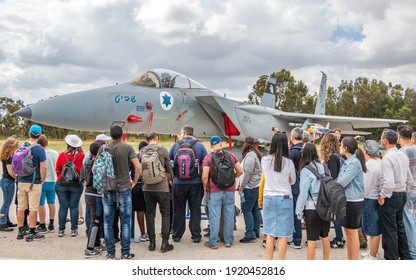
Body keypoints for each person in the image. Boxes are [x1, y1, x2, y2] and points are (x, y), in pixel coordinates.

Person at [100, 125, 141, 260]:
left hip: (108, 188)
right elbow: (138, 166)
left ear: (110, 135)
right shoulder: (127, 148)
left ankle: (110, 253)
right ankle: (125, 252)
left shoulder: (103, 148)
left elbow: (97, 169)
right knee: (125, 221)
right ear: (122, 135)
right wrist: (134, 182)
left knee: (107, 221)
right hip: (124, 187)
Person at [202, 136, 243, 249]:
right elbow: (240, 170)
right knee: (229, 215)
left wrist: (205, 187)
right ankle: (228, 241)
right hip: (229, 190)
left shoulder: (208, 158)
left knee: (215, 216)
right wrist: (232, 179)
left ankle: (213, 242)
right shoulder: (231, 155)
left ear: (211, 146)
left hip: (214, 191)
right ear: (220, 144)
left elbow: (205, 176)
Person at [169, 125, 207, 243]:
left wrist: (171, 179)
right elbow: (206, 164)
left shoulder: (176, 145)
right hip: (196, 183)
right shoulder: (200, 146)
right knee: (195, 209)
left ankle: (177, 235)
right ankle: (195, 235)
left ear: (184, 133)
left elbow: (169, 162)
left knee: (178, 209)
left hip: (178, 183)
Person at [379, 129, 413, 260]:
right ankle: (405, 257)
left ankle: (392, 258)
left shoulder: (387, 158)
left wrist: (382, 196)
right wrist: (405, 191)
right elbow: (409, 179)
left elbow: (388, 183)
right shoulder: (403, 155)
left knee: (390, 231)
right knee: (400, 227)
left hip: (391, 196)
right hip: (402, 194)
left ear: (384, 140)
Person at [261, 132, 296, 259]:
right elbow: (293, 180)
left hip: (269, 198)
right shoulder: (288, 162)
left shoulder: (265, 160)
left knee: (270, 233)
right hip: (284, 198)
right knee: (283, 235)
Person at [296, 143, 331, 260]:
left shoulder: (306, 170)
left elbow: (303, 193)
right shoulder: (324, 168)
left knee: (311, 241)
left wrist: (299, 211)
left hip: (312, 208)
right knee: (325, 237)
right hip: (325, 206)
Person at [141, 133, 174, 253]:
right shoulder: (162, 149)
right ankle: (165, 243)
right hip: (162, 187)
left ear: (146, 140)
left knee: (150, 214)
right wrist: (170, 179)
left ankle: (152, 243)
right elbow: (168, 167)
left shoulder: (142, 151)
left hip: (147, 187)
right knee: (165, 213)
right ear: (157, 139)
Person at [336, 136, 366, 260]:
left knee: (353, 233)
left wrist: (335, 183)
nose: (339, 147)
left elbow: (342, 181)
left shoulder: (354, 163)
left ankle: (353, 260)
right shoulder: (347, 161)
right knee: (347, 232)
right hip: (347, 200)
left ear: (346, 148)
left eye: (341, 145)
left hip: (354, 201)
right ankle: (349, 258)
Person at [16, 125, 47, 241]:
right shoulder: (39, 149)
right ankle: (32, 231)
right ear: (39, 136)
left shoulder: (21, 146)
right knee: (33, 208)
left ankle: (20, 231)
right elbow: (43, 167)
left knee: (21, 207)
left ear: (29, 133)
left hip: (21, 180)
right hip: (34, 182)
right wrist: (42, 180)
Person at [55, 134, 85, 238]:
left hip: (61, 183)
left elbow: (57, 169)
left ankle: (61, 230)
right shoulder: (81, 156)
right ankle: (74, 229)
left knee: (63, 206)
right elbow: (83, 170)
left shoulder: (62, 155)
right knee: (74, 206)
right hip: (76, 184)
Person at [320, 133, 345, 248]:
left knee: (334, 214)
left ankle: (339, 238)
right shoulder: (336, 156)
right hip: (336, 188)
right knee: (335, 214)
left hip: (332, 189)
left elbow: (333, 175)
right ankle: (339, 237)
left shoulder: (331, 157)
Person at [82, 142, 104, 258]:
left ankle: (96, 244)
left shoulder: (88, 161)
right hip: (95, 194)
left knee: (96, 219)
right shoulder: (98, 164)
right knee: (94, 221)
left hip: (88, 193)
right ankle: (90, 248)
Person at [361, 140, 382, 260]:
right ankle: (372, 252)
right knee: (374, 227)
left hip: (369, 198)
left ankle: (373, 255)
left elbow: (366, 186)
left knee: (373, 229)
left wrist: (362, 196)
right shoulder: (380, 162)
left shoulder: (369, 165)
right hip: (376, 196)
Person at [239, 137, 262, 243]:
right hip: (255, 186)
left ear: (245, 144)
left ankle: (250, 233)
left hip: (249, 188)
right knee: (254, 209)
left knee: (246, 210)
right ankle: (256, 231)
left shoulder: (250, 156)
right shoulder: (254, 155)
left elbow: (247, 173)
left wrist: (241, 186)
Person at [398, 125, 416, 259]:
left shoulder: (403, 153)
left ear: (399, 136)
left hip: (409, 190)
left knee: (408, 220)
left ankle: (412, 251)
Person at [35, 135, 58, 233]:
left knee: (41, 203)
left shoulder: (40, 153)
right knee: (51, 202)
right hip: (53, 179)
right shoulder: (55, 153)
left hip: (42, 180)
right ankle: (52, 222)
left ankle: (43, 224)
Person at [287, 127, 304, 249]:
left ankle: (297, 239)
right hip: (308, 183)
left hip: (295, 184)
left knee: (296, 212)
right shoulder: (308, 149)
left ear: (292, 137)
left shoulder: (291, 152)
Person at [130, 141, 149, 242]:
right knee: (149, 211)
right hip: (149, 186)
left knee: (140, 211)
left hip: (137, 186)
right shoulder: (151, 158)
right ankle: (151, 233)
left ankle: (143, 234)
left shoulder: (135, 157)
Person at [0, 137, 18, 231]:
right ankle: (2, 222)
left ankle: (7, 220)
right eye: (16, 146)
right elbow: (10, 172)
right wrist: (17, 178)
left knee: (8, 202)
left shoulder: (9, 156)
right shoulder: (8, 157)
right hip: (7, 181)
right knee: (6, 203)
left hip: (8, 182)